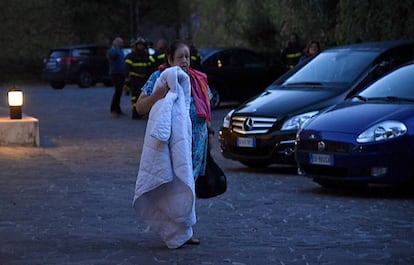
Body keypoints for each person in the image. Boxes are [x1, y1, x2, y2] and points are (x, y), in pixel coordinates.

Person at [132, 40, 213, 249]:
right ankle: (177, 231)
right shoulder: (159, 78)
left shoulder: (197, 79)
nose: (185, 61)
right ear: (169, 59)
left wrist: (209, 136)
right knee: (173, 186)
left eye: (187, 56)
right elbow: (140, 107)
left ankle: (185, 229)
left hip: (196, 144)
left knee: (188, 186)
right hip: (172, 144)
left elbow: (206, 109)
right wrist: (158, 95)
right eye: (180, 57)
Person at [124, 37, 153, 119]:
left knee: (144, 96)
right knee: (135, 96)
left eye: (142, 45)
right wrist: (126, 80)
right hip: (135, 79)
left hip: (144, 79)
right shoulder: (131, 56)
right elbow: (127, 68)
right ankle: (135, 113)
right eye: (139, 45)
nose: (141, 47)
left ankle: (143, 112)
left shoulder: (146, 56)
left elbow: (149, 68)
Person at [107, 37, 125, 116]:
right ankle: (114, 108)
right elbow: (113, 55)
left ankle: (116, 107)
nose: (122, 44)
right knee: (118, 90)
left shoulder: (120, 50)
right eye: (120, 42)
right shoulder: (113, 50)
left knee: (119, 91)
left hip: (120, 73)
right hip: (115, 73)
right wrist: (116, 47)